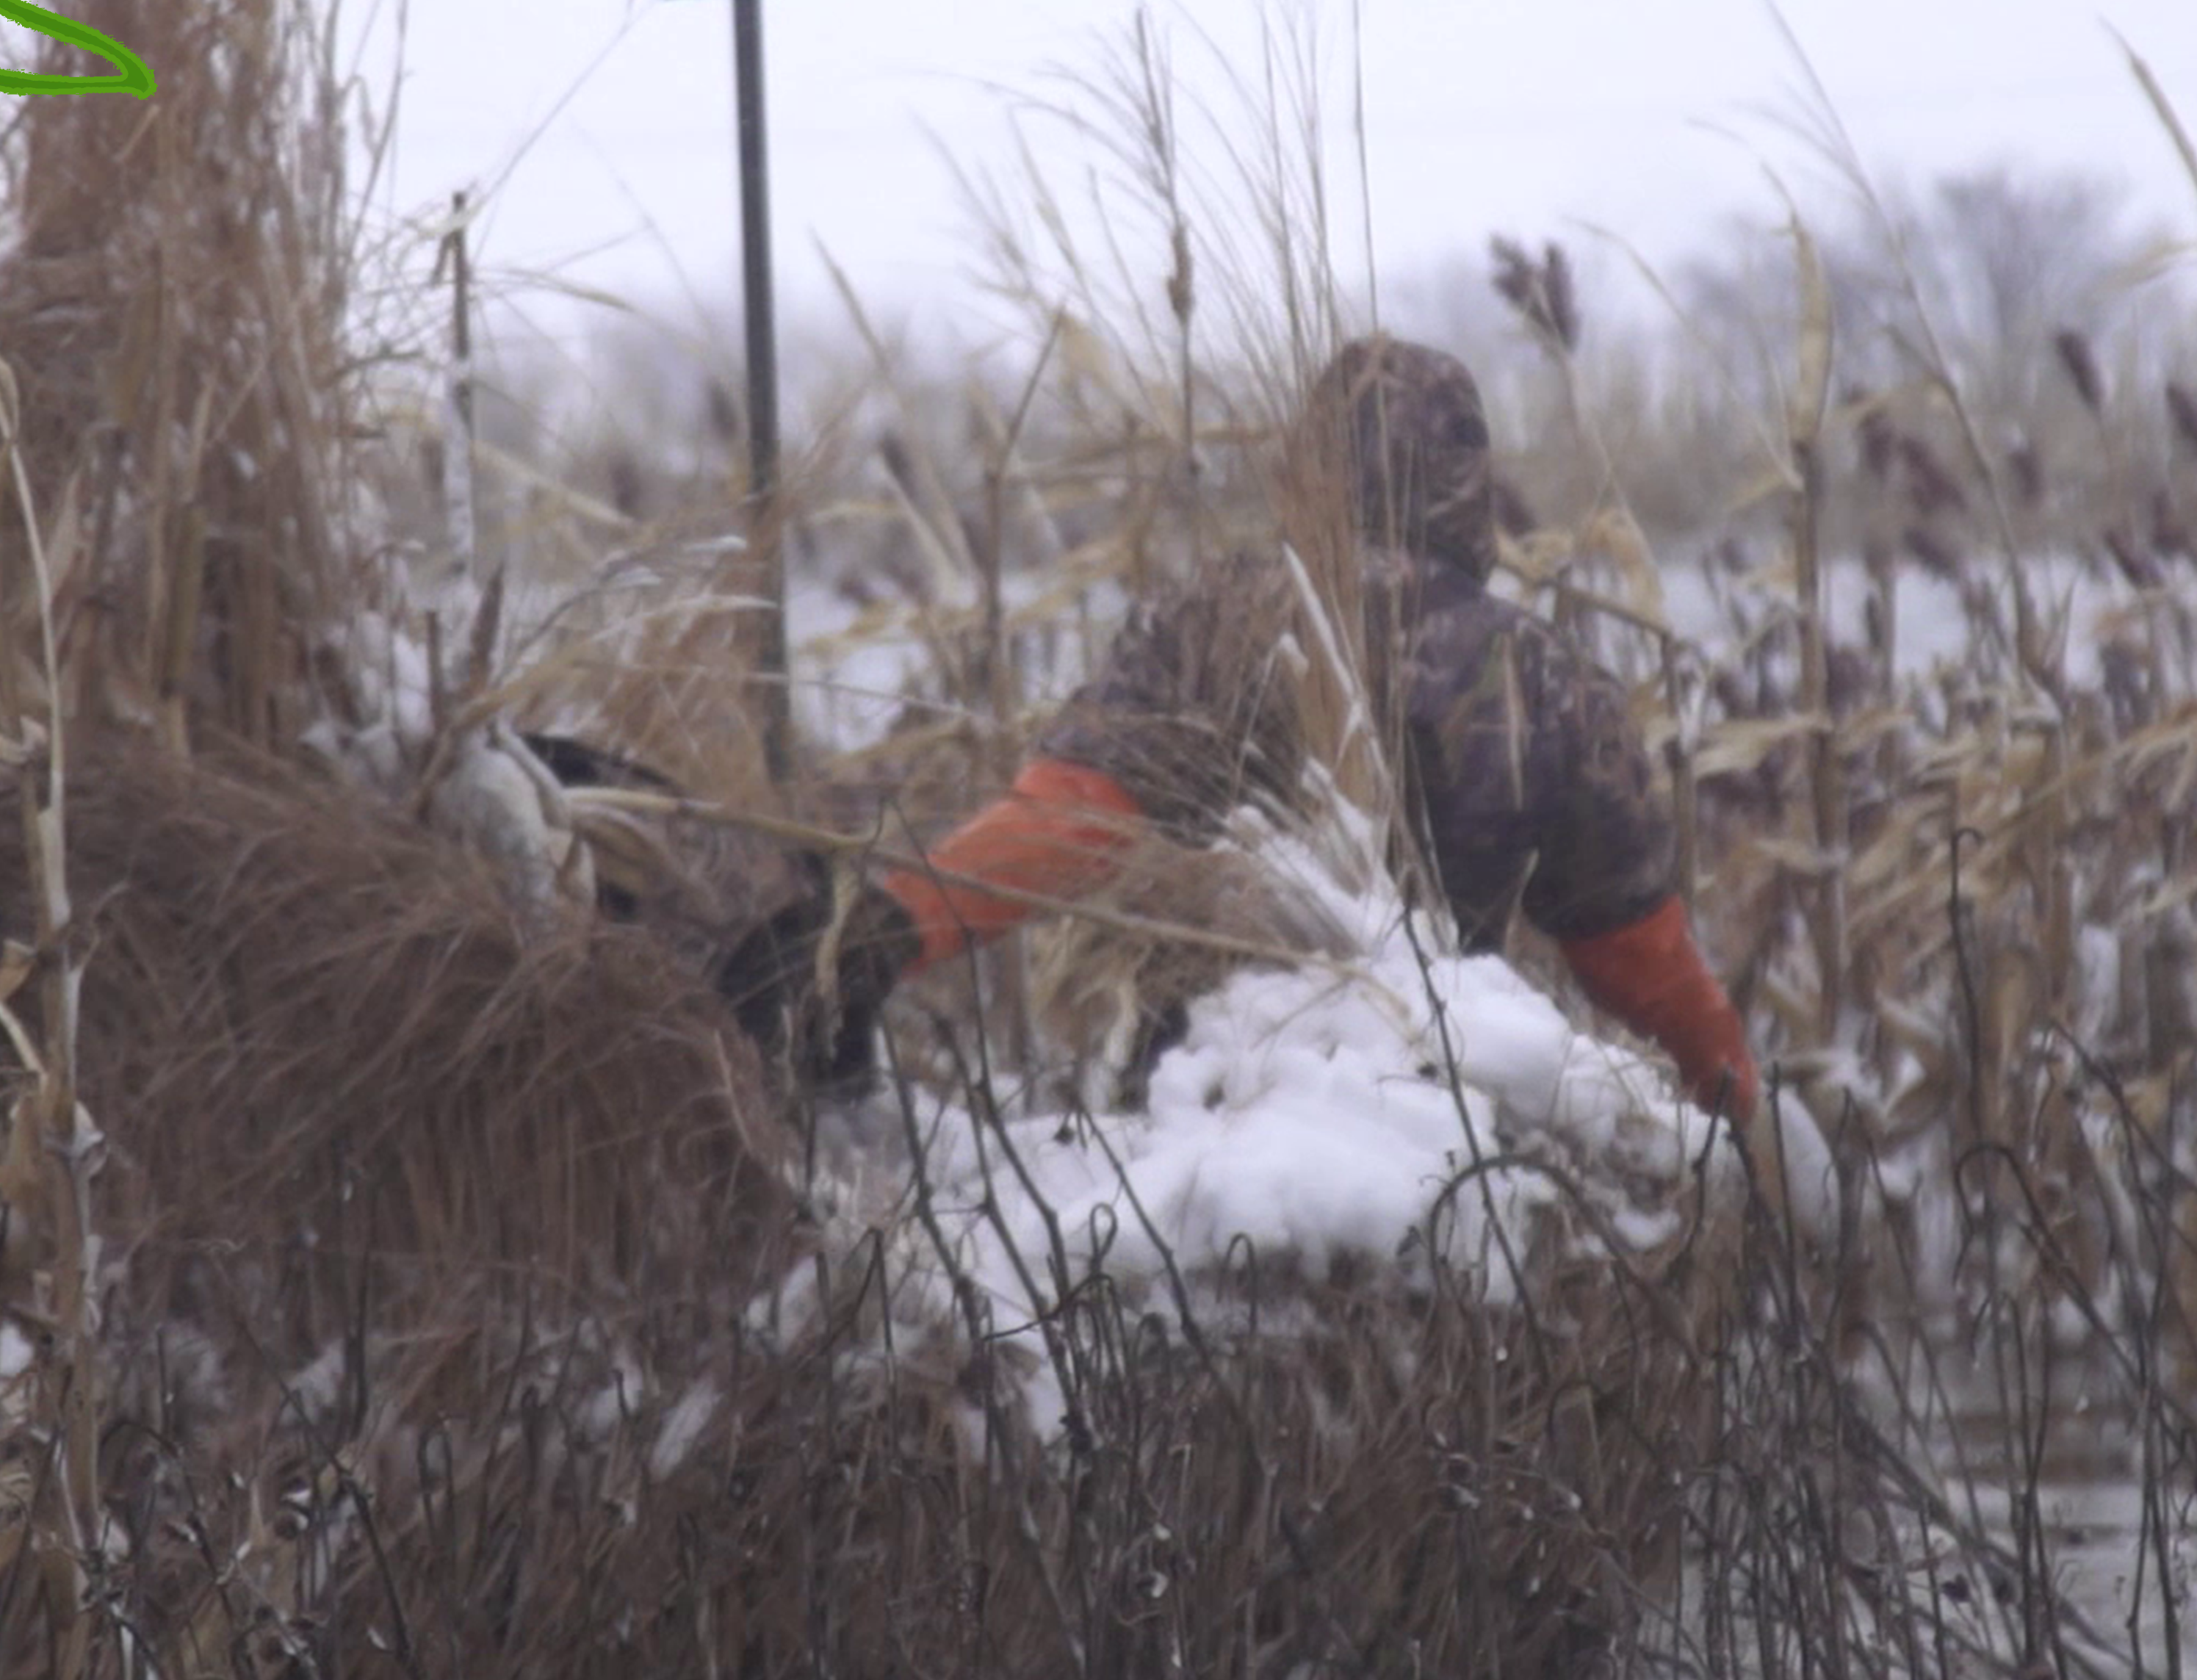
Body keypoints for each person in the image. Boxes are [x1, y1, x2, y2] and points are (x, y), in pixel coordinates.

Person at [723, 334, 1759, 1128]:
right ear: (1466, 484)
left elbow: (1074, 820)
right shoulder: (1550, 676)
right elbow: (1642, 957)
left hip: (1215, 1115)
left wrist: (881, 934)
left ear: (1311, 464)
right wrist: (1743, 1111)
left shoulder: (1222, 616)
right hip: (1447, 1125)